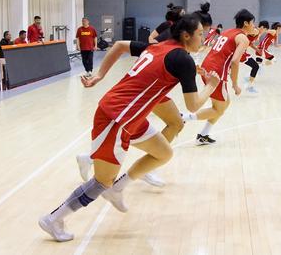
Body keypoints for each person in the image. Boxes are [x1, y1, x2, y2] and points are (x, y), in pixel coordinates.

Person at [39, 14, 220, 242]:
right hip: (116, 118)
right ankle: (54, 219)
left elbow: (119, 46)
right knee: (102, 182)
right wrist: (211, 85)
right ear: (186, 35)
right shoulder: (182, 59)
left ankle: (117, 187)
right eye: (201, 34)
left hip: (130, 116)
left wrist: (100, 76)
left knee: (164, 153)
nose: (203, 38)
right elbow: (193, 104)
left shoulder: (160, 46)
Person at [184, 9, 255, 145]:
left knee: (224, 104)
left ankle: (203, 135)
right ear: (246, 23)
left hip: (208, 66)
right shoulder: (243, 38)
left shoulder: (228, 31)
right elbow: (235, 61)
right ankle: (184, 117)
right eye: (252, 22)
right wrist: (235, 84)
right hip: (216, 72)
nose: (254, 25)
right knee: (218, 109)